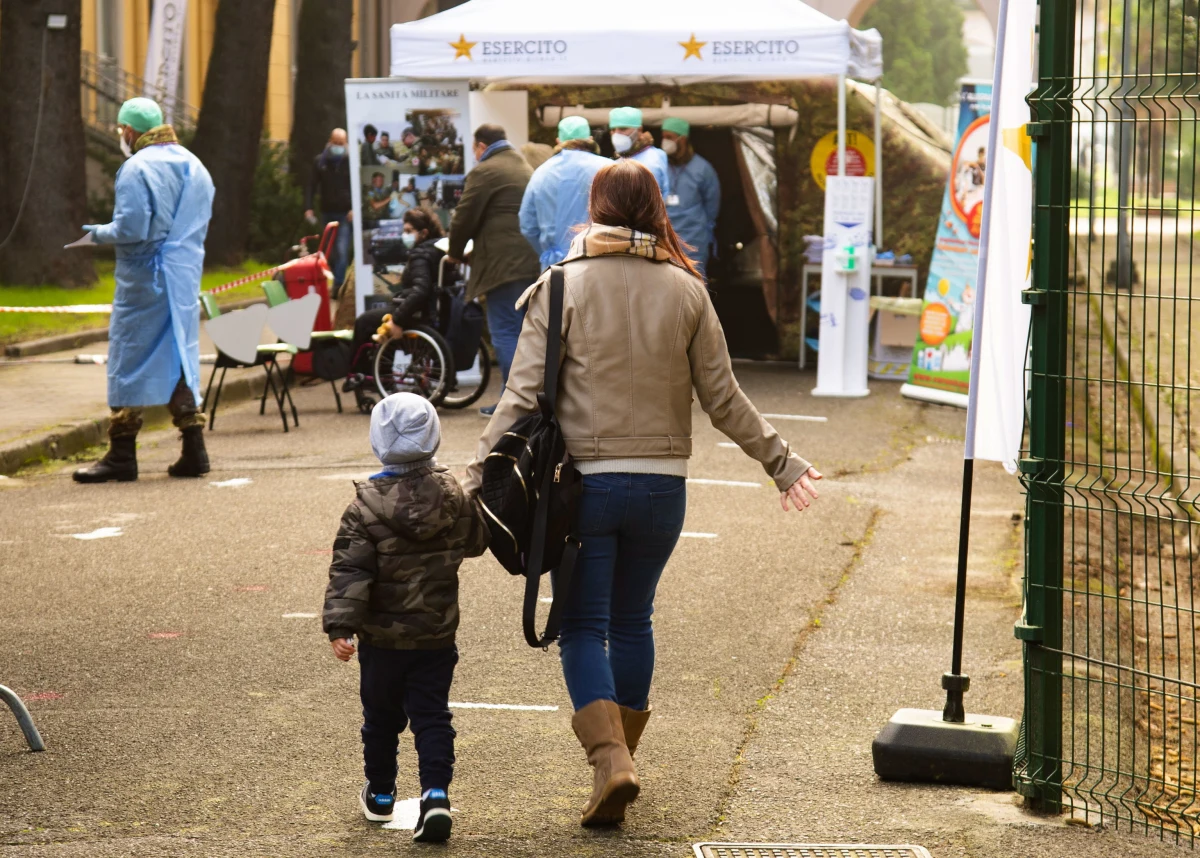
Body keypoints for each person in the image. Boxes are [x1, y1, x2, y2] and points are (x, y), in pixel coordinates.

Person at [464, 160, 822, 827]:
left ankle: (611, 762)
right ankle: (620, 762)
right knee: (632, 621)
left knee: (580, 627)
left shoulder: (561, 286)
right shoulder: (687, 289)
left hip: (587, 489)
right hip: (665, 490)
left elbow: (518, 397)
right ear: (657, 208)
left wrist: (473, 475)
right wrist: (783, 462)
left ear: (595, 209)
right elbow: (723, 397)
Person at [323, 392, 489, 842]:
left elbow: (350, 571)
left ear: (379, 442)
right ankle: (435, 795)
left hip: (382, 640)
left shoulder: (364, 508)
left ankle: (379, 795)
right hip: (436, 634)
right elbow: (476, 542)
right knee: (432, 715)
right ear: (433, 438)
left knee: (380, 717)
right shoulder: (455, 497)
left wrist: (341, 626)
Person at [73, 97, 215, 485]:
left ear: (130, 130)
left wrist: (94, 234)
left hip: (144, 279)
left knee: (127, 357)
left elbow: (132, 228)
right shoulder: (195, 164)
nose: (122, 136)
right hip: (183, 278)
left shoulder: (136, 168)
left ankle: (121, 455)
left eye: (122, 130)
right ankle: (194, 449)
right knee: (181, 355)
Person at [445, 124, 541, 415]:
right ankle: (516, 397)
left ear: (480, 145)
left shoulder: (485, 170)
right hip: (530, 259)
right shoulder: (522, 166)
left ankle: (516, 403)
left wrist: (454, 253)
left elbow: (464, 217)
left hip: (505, 266)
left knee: (505, 331)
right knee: (525, 332)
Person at [345, 209, 446, 400]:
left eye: (409, 231)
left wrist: (397, 320)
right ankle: (382, 374)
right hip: (428, 310)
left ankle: (361, 375)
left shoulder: (420, 255)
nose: (404, 235)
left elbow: (420, 291)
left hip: (415, 313)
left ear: (423, 233)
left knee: (364, 322)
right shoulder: (436, 249)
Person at [519, 116, 610, 270]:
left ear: (558, 141)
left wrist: (549, 251)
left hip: (555, 269)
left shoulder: (541, 173)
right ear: (589, 139)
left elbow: (527, 224)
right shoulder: (608, 169)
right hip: (599, 266)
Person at [661, 118, 720, 277]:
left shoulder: (703, 169)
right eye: (663, 136)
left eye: (670, 137)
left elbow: (712, 207)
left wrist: (704, 233)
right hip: (663, 241)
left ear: (683, 139)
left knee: (695, 287)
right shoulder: (659, 166)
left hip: (694, 242)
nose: (665, 141)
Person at [305, 128, 354, 291]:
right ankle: (333, 277)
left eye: (342, 143)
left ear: (346, 143)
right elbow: (311, 185)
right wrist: (308, 207)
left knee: (341, 249)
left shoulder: (351, 161)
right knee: (329, 251)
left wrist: (354, 208)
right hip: (327, 212)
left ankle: (338, 284)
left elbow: (357, 186)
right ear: (330, 141)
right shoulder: (321, 161)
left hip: (345, 213)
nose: (338, 146)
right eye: (336, 142)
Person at [608, 107, 670, 198]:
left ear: (639, 130)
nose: (617, 134)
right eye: (613, 130)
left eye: (623, 129)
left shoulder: (653, 159)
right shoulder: (618, 161)